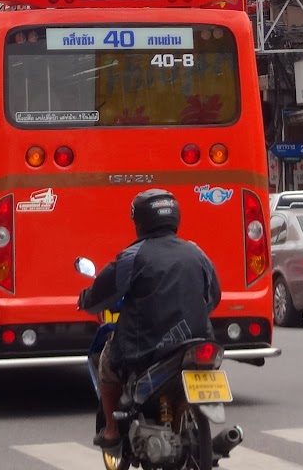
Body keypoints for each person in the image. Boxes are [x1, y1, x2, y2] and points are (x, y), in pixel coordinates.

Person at [77, 190, 220, 448]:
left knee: (107, 362)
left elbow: (100, 295)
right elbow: (213, 296)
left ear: (139, 221)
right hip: (198, 341)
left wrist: (85, 299)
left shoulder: (133, 256)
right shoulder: (196, 252)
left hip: (148, 348)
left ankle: (111, 429)